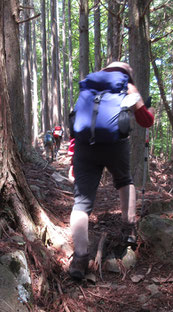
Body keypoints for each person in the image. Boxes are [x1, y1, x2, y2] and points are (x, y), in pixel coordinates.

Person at [68, 61, 154, 280]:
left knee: (81, 203)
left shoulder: (88, 85)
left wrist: (72, 160)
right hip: (115, 146)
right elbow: (146, 121)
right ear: (127, 73)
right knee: (125, 181)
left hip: (84, 147)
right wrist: (150, 109)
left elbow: (76, 122)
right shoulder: (127, 86)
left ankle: (79, 258)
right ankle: (128, 230)